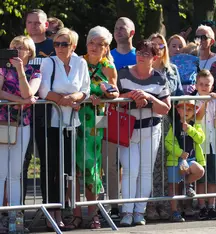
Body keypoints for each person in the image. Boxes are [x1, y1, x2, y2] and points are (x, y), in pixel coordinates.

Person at [65, 26, 119, 230]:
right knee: (74, 166)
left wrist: (105, 95)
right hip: (75, 117)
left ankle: (93, 213)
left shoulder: (108, 67)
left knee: (92, 166)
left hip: (96, 121)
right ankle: (76, 214)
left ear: (106, 48)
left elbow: (115, 92)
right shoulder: (78, 62)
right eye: (92, 43)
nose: (95, 47)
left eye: (100, 44)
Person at [38, 28, 90, 230]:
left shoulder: (80, 62)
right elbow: (43, 90)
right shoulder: (48, 62)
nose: (59, 48)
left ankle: (61, 211)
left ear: (73, 46)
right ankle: (50, 212)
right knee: (51, 168)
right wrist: (63, 100)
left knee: (66, 170)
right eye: (57, 44)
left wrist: (75, 98)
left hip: (71, 123)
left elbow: (85, 89)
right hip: (50, 123)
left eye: (64, 44)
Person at [117, 40, 171, 226]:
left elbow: (165, 108)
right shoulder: (123, 72)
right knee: (130, 171)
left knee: (146, 172)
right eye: (139, 52)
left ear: (155, 58)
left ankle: (139, 212)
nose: (141, 56)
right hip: (128, 130)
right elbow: (112, 97)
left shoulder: (160, 78)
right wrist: (131, 95)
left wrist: (148, 97)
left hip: (151, 129)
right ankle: (126, 212)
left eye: (146, 54)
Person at [0, 36, 41, 232]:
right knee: (0, 173)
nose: (16, 50)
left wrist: (20, 71)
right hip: (2, 123)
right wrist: (18, 99)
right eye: (14, 47)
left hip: (22, 125)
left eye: (21, 48)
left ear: (29, 52)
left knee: (15, 173)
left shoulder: (34, 71)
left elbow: (29, 93)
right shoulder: (2, 68)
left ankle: (15, 217)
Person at [146, 33, 184, 220]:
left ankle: (165, 204)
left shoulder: (172, 69)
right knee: (153, 164)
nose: (158, 49)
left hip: (169, 122)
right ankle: (151, 204)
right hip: (150, 121)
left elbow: (179, 95)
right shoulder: (144, 69)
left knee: (168, 164)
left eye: (161, 46)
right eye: (154, 46)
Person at [103, 16, 137, 218]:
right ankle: (115, 205)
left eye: (122, 28)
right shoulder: (108, 56)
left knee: (131, 163)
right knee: (111, 163)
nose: (118, 31)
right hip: (113, 114)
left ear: (132, 33)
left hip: (137, 116)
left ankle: (132, 203)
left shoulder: (139, 55)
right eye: (115, 28)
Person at [23, 8, 56, 205]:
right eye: (30, 22)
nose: (34, 26)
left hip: (49, 111)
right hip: (20, 113)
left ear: (46, 25)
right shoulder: (18, 45)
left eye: (38, 22)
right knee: (22, 163)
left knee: (49, 163)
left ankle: (51, 210)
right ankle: (16, 214)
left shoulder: (55, 46)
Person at [190, 70, 216, 220]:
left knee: (212, 178)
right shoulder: (192, 100)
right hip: (199, 144)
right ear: (196, 85)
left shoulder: (215, 101)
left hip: (213, 142)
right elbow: (197, 118)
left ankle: (211, 206)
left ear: (212, 86)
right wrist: (205, 102)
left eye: (207, 85)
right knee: (201, 178)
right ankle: (202, 206)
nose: (204, 87)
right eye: (201, 84)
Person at [165, 99, 205, 222]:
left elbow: (200, 139)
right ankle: (174, 211)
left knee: (199, 171)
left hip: (190, 160)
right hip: (175, 160)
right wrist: (179, 153)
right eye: (183, 108)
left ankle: (187, 184)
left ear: (194, 112)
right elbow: (168, 142)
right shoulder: (174, 125)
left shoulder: (195, 124)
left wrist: (190, 130)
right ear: (178, 110)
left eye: (190, 109)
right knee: (173, 186)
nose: (186, 111)